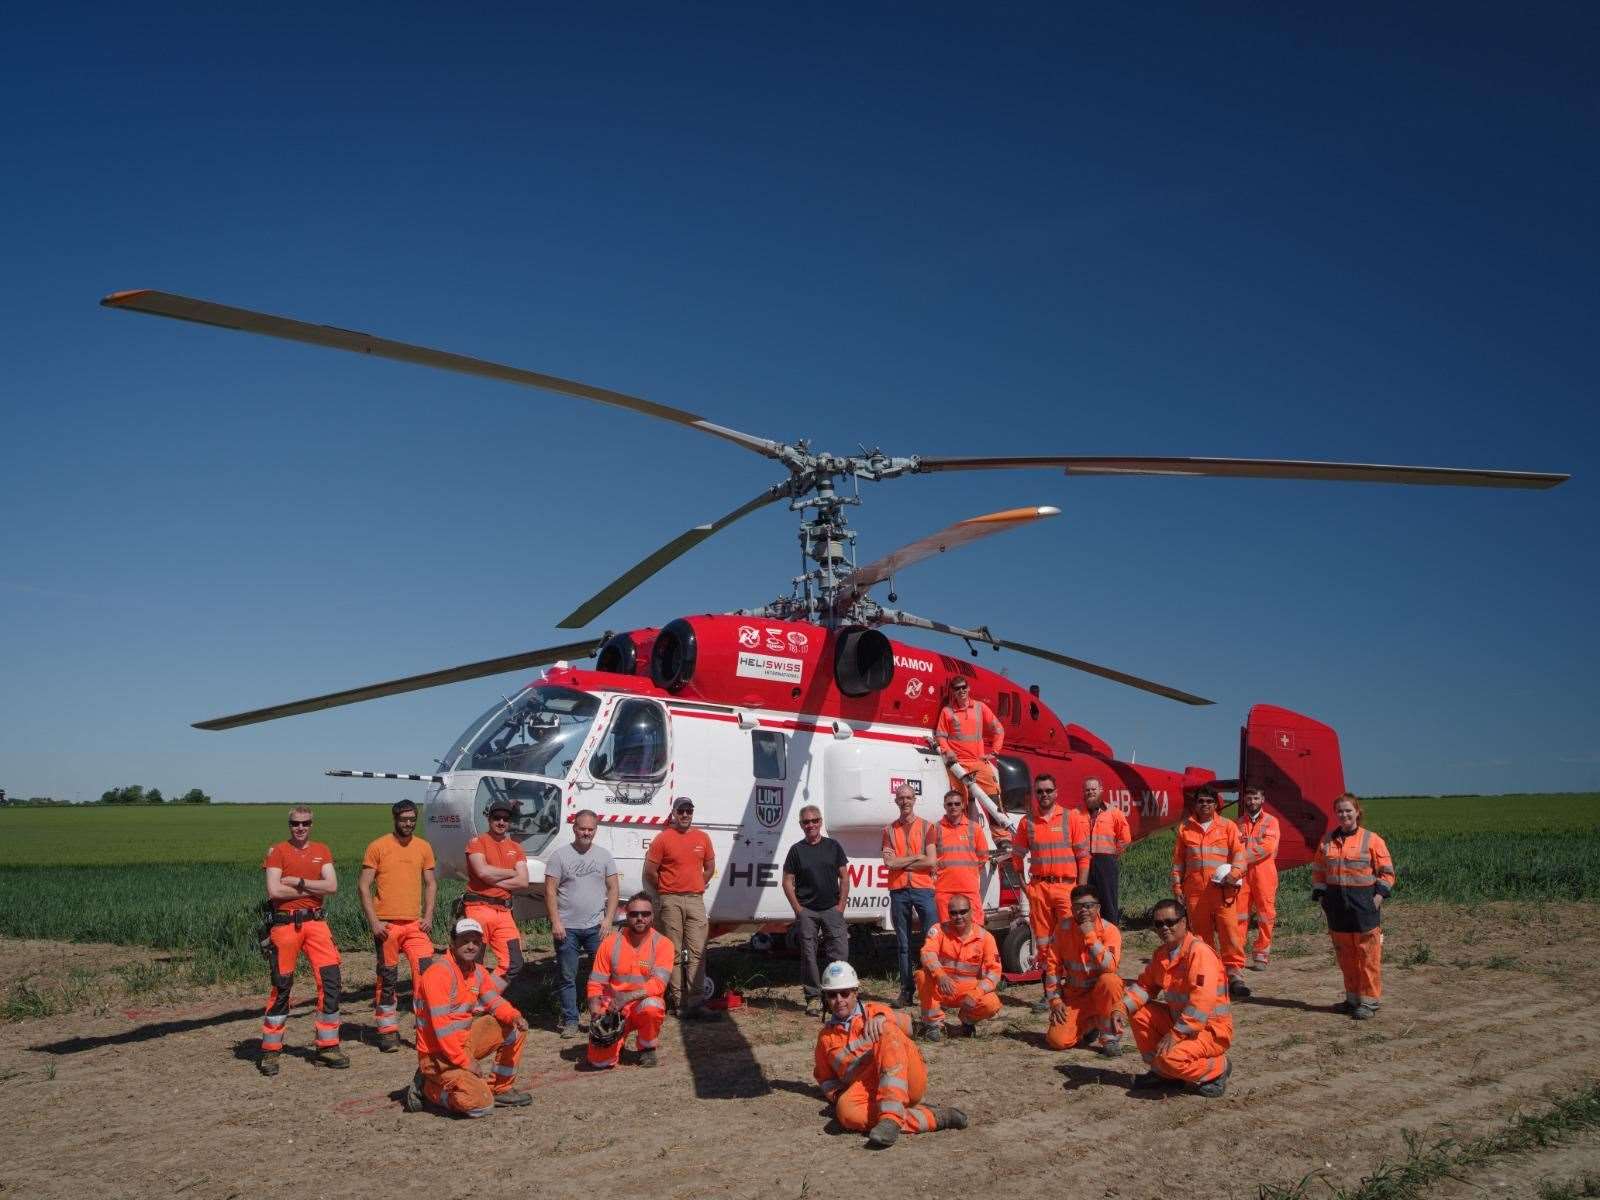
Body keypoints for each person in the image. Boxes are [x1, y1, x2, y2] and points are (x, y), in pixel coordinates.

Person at [812, 961, 970, 1148]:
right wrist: (838, 1095)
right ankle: (935, 1117)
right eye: (832, 994)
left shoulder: (875, 1011)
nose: (839, 1000)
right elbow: (825, 1079)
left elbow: (907, 1024)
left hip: (908, 1079)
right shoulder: (825, 1039)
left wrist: (881, 1017)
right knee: (846, 1111)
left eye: (845, 993)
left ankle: (891, 1116)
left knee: (886, 1029)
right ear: (826, 998)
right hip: (869, 1090)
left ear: (856, 993)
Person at [403, 918, 531, 1115]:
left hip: (462, 1043)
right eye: (465, 941)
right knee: (480, 1105)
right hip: (438, 1054)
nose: (471, 946)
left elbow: (494, 1002)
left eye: (476, 942)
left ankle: (500, 1088)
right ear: (452, 944)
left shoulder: (478, 972)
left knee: (513, 1027)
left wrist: (514, 1016)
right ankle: (428, 1089)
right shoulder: (438, 974)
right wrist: (465, 1061)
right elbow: (442, 1029)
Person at [258, 806, 347, 1074]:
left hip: (317, 924)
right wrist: (312, 884)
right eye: (295, 823)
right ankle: (271, 1051)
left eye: (305, 823)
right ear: (289, 825)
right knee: (282, 985)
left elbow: (332, 887)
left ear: (312, 824)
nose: (300, 828)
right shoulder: (277, 852)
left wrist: (296, 881)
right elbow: (274, 890)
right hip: (285, 926)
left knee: (331, 982)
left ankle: (328, 1047)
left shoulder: (322, 850)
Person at [1121, 898, 1233, 1097]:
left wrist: (1175, 1035)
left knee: (1170, 1058)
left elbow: (1200, 1004)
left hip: (1209, 1030)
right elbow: (1145, 987)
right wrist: (1120, 1009)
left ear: (1184, 922)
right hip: (1181, 1025)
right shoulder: (1162, 955)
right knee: (1138, 1012)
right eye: (1158, 924)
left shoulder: (1199, 953)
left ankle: (1218, 1068)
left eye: (1170, 922)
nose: (1164, 927)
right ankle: (1163, 1075)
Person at [358, 798, 438, 1052]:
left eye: (412, 819)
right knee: (388, 979)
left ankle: (426, 1032)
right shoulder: (378, 846)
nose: (408, 824)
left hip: (416, 926)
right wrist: (374, 922)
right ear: (395, 819)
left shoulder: (423, 847)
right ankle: (387, 1031)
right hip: (387, 927)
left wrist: (428, 917)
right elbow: (363, 885)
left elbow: (431, 883)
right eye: (404, 819)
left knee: (427, 978)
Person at [1009, 773, 1089, 1009]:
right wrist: (1025, 886)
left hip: (1066, 888)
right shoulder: (1028, 822)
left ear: (1056, 792)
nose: (1044, 795)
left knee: (1070, 939)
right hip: (1039, 889)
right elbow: (1017, 856)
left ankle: (1074, 990)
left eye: (1048, 790)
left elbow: (1083, 857)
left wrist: (1080, 890)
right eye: (1040, 791)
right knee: (1044, 943)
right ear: (1035, 794)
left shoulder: (1070, 818)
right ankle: (1050, 992)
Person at [1312, 793, 1395, 1020]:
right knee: (1345, 955)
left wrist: (1378, 897)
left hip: (1364, 905)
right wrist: (1320, 894)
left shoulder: (1372, 840)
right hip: (1337, 906)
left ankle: (1369, 1002)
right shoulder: (1327, 840)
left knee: (1368, 955)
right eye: (1340, 811)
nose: (1344, 815)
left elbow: (1387, 873)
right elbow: (1319, 870)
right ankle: (1352, 999)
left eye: (1348, 810)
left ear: (1357, 812)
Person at [545, 809, 620, 1038]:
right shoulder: (559, 856)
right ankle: (570, 1020)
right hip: (567, 928)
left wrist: (608, 919)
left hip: (596, 928)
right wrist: (555, 921)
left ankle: (603, 1015)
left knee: (603, 975)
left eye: (590, 829)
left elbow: (613, 889)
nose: (586, 832)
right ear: (574, 828)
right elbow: (549, 890)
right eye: (582, 828)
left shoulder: (604, 856)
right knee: (567, 976)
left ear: (595, 830)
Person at [1171, 785, 1251, 998]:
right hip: (1195, 892)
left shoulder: (1228, 827)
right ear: (1195, 804)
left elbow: (1239, 856)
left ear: (1216, 805)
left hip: (1223, 891)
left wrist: (1234, 875)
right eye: (1201, 801)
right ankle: (1210, 975)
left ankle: (1235, 975)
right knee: (1201, 935)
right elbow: (1178, 862)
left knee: (1229, 932)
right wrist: (1177, 886)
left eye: (1209, 801)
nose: (1205, 805)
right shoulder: (1185, 829)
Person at [583, 892, 675, 1069]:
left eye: (645, 914)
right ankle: (617, 1043)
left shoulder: (664, 944)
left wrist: (627, 998)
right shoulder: (610, 942)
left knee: (653, 1006)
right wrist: (596, 1012)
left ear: (652, 916)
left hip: (641, 1005)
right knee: (599, 1063)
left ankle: (647, 1048)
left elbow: (658, 984)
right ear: (626, 914)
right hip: (613, 1009)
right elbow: (596, 982)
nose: (640, 918)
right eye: (634, 914)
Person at [643, 796, 716, 1018]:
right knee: (672, 953)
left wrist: (696, 884)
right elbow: (650, 871)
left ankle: (696, 1002)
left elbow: (710, 867)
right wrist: (665, 891)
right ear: (674, 813)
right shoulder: (663, 839)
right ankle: (679, 1003)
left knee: (698, 951)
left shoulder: (702, 838)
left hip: (695, 899)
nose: (685, 815)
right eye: (681, 811)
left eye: (689, 811)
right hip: (670, 900)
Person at [783, 804, 851, 1015]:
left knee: (839, 953)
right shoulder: (796, 850)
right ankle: (813, 997)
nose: (810, 825)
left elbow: (844, 877)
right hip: (808, 911)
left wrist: (841, 906)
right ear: (801, 825)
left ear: (820, 822)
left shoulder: (833, 846)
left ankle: (836, 994)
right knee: (809, 955)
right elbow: (787, 881)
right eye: (806, 822)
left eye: (814, 820)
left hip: (832, 908)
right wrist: (798, 909)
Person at [1043, 886, 1124, 1055]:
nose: (1084, 910)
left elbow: (1110, 967)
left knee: (1111, 980)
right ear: (1072, 908)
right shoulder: (1062, 929)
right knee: (1056, 1041)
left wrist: (1090, 935)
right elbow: (1052, 969)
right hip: (1075, 996)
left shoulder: (1110, 930)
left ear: (1098, 907)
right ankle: (1090, 1025)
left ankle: (1109, 1037)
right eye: (1078, 906)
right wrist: (1055, 1001)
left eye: (1089, 905)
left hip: (1101, 994)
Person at [915, 894, 1002, 1040]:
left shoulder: (985, 938)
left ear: (971, 911)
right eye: (953, 913)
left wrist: (976, 994)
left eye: (963, 911)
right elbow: (927, 953)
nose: (958, 916)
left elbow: (994, 973)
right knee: (922, 975)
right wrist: (940, 975)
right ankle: (933, 1025)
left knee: (992, 1003)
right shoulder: (939, 931)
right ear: (948, 913)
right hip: (941, 988)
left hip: (968, 993)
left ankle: (967, 1021)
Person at [881, 784, 937, 1008]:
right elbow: (889, 863)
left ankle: (932, 988)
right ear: (896, 801)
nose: (904, 801)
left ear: (915, 800)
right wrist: (916, 857)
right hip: (898, 891)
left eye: (908, 797)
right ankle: (906, 991)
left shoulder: (927, 827)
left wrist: (902, 863)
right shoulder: (888, 830)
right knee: (903, 944)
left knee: (931, 940)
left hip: (923, 889)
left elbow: (931, 860)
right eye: (900, 798)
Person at [463, 799, 530, 985]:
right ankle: (467, 1002)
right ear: (489, 819)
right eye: (496, 818)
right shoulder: (477, 843)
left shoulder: (516, 848)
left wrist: (492, 877)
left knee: (514, 963)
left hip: (504, 913)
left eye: (505, 819)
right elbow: (482, 872)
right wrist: (511, 873)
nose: (501, 822)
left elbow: (523, 881)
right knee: (473, 962)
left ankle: (485, 998)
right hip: (478, 908)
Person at [935, 677, 1004, 805]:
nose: (961, 690)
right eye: (957, 688)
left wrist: (994, 752)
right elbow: (940, 735)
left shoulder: (980, 707)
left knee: (995, 801)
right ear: (952, 691)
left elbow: (999, 729)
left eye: (964, 687)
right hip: (958, 764)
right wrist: (947, 751)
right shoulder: (947, 711)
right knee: (960, 803)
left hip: (979, 763)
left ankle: (997, 825)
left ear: (969, 688)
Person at [1236, 785, 1281, 970]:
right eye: (1248, 798)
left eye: (1255, 798)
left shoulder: (1271, 822)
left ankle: (1261, 955)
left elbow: (1267, 847)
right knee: (1239, 915)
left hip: (1264, 874)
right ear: (1244, 800)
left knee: (1265, 915)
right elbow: (1232, 846)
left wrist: (1241, 857)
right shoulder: (1238, 823)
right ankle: (1236, 956)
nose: (1251, 801)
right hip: (1243, 875)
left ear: (1262, 800)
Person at [930, 788, 990, 923]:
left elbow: (983, 857)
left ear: (963, 805)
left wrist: (968, 873)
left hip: (969, 889)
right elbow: (929, 859)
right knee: (946, 931)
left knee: (975, 928)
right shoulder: (935, 829)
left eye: (957, 803)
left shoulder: (974, 828)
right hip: (944, 891)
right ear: (944, 806)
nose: (953, 807)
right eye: (949, 804)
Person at [1083, 778, 1132, 926]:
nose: (1091, 792)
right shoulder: (1078, 814)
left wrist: (1113, 854)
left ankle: (1111, 938)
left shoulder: (1114, 813)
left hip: (1105, 863)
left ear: (1101, 790)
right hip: (1084, 863)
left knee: (1108, 902)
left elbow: (1125, 838)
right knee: (1087, 902)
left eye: (1094, 789)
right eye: (1087, 790)